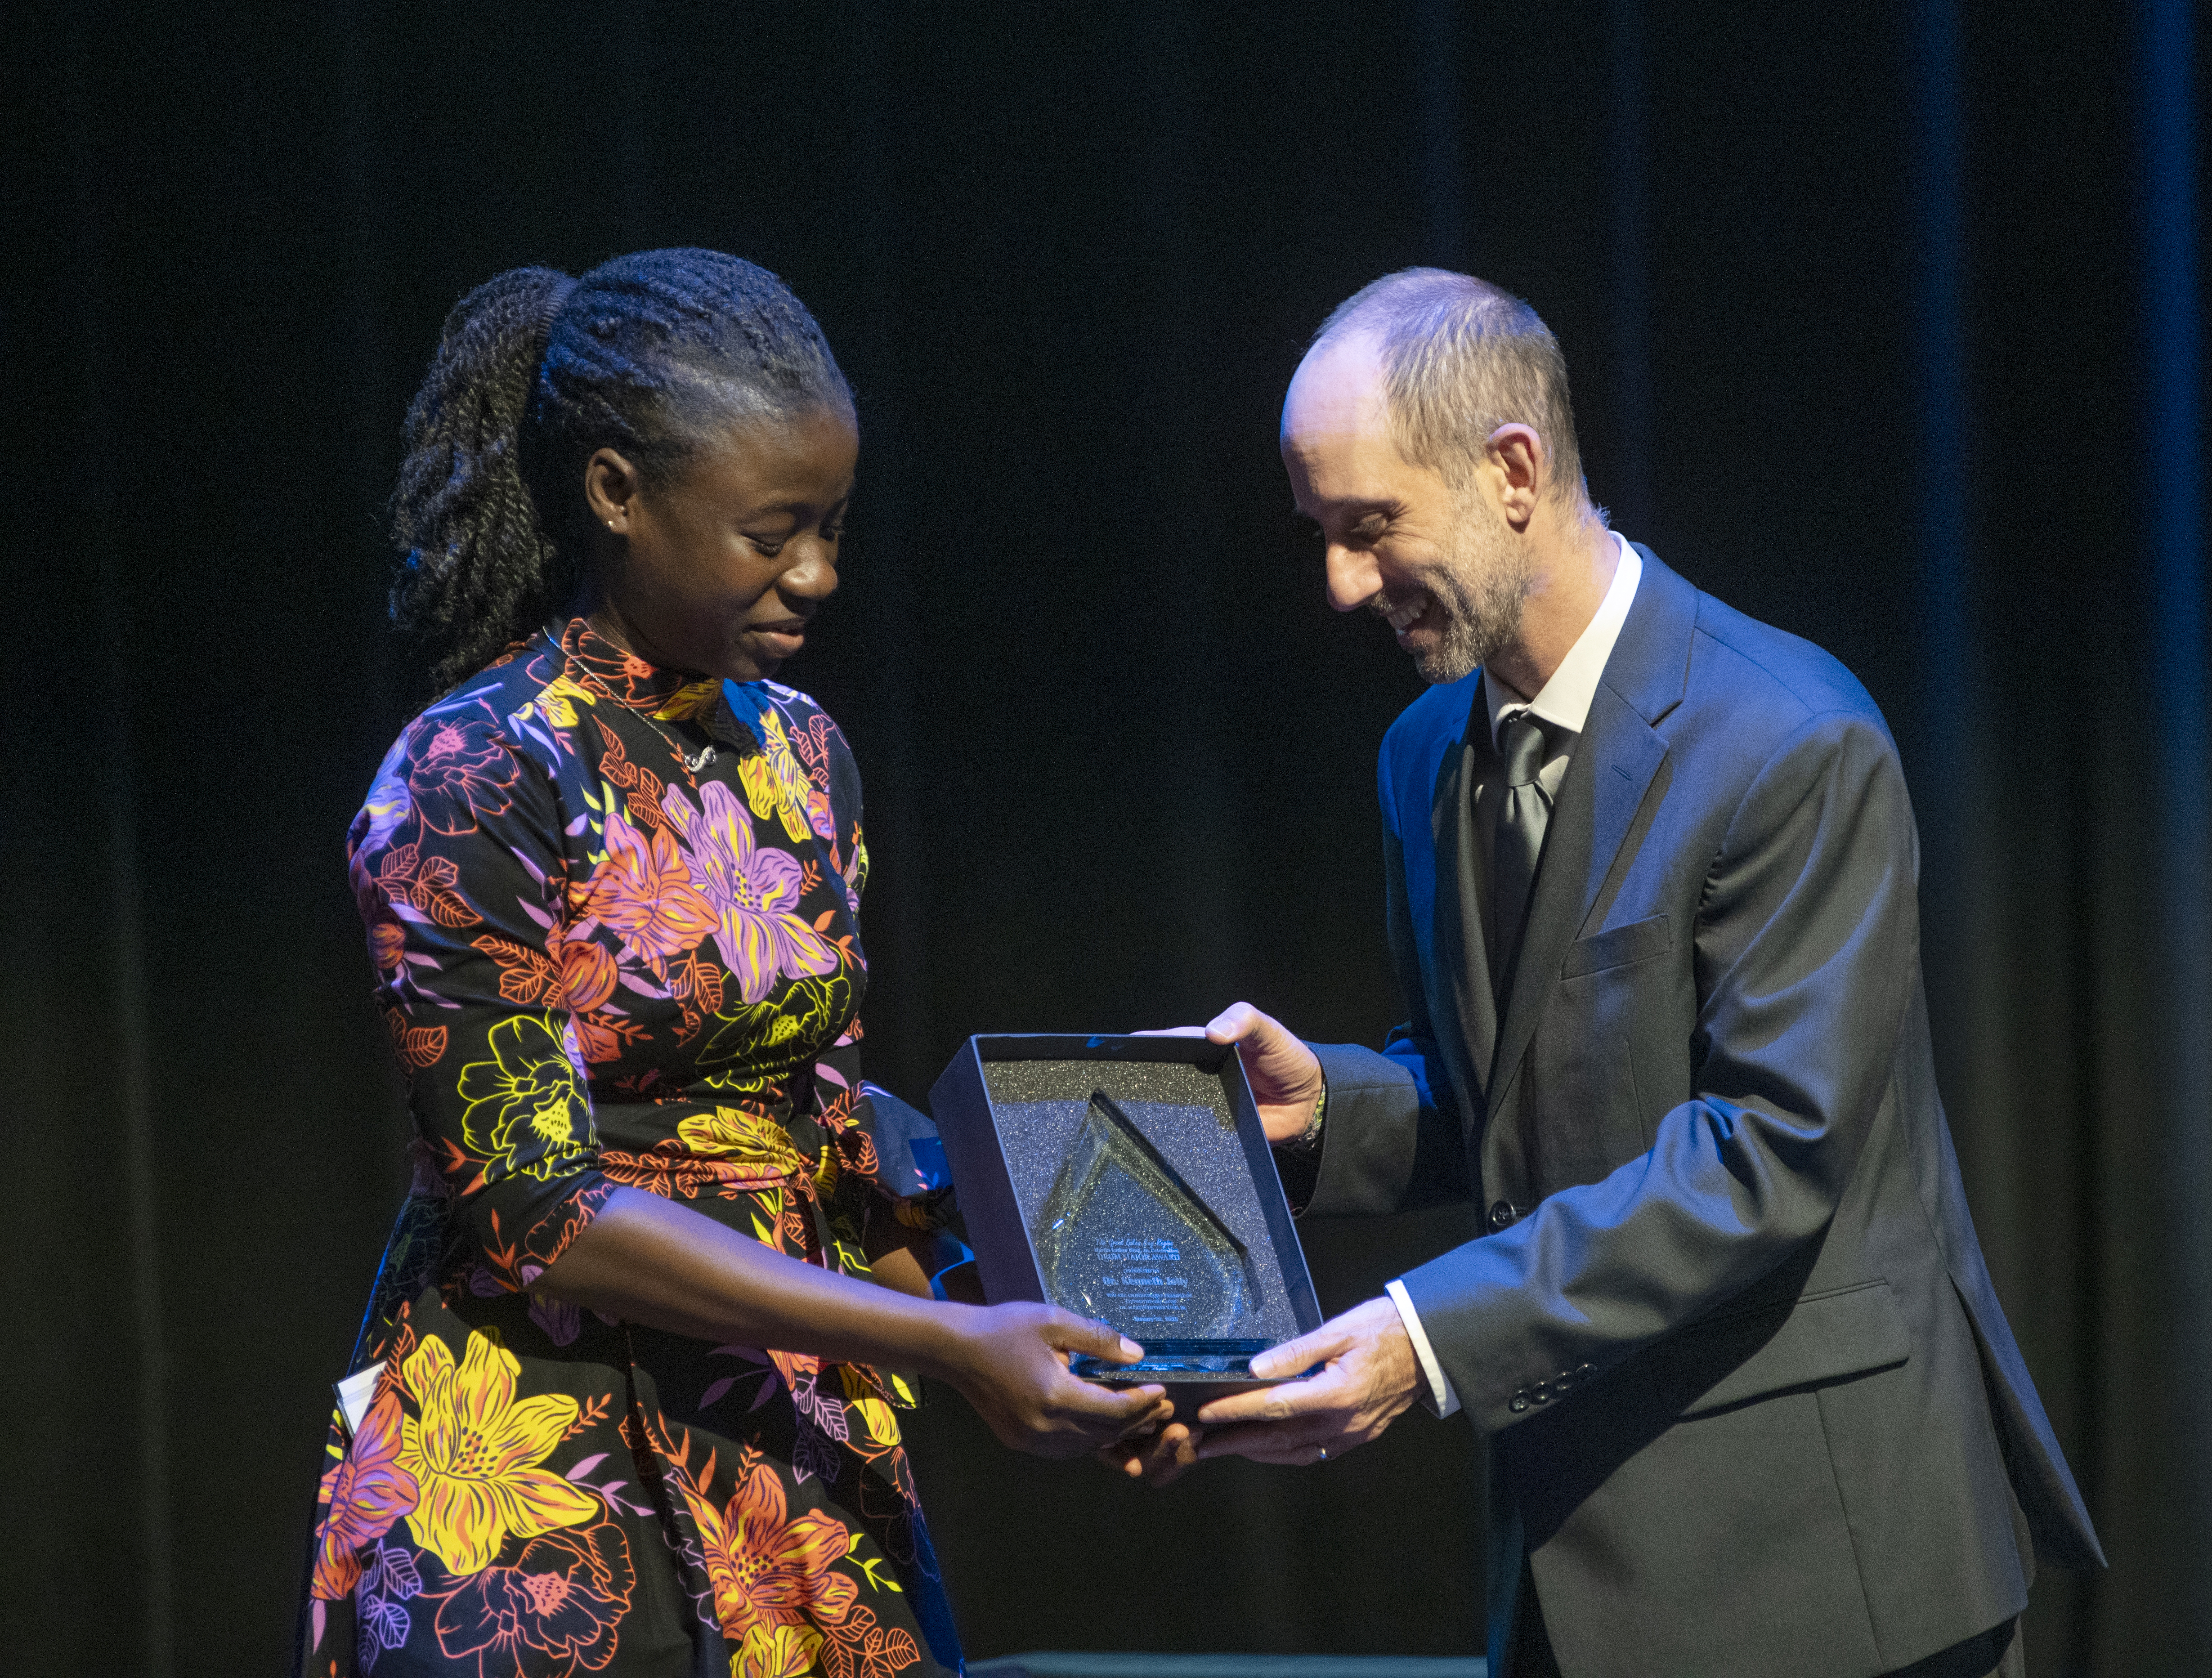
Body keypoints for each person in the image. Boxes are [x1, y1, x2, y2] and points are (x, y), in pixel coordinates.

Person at [1133, 270, 2104, 1677]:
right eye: (1320, 535)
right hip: (1575, 1568)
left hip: (1827, 1571)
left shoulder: (1788, 740)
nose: (1339, 584)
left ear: (1512, 471)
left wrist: (1421, 1336)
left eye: (1370, 527)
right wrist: (1330, 1109)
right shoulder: (1424, 754)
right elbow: (1507, 1098)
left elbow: (1764, 1156)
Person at [295, 249, 1170, 1678]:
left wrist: (1030, 1349)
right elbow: (537, 1210)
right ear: (616, 493)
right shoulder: (476, 771)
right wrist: (946, 1346)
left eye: (831, 525)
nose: (817, 574)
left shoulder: (802, 750)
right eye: (772, 533)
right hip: (541, 1460)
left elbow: (822, 1134)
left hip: (781, 1442)